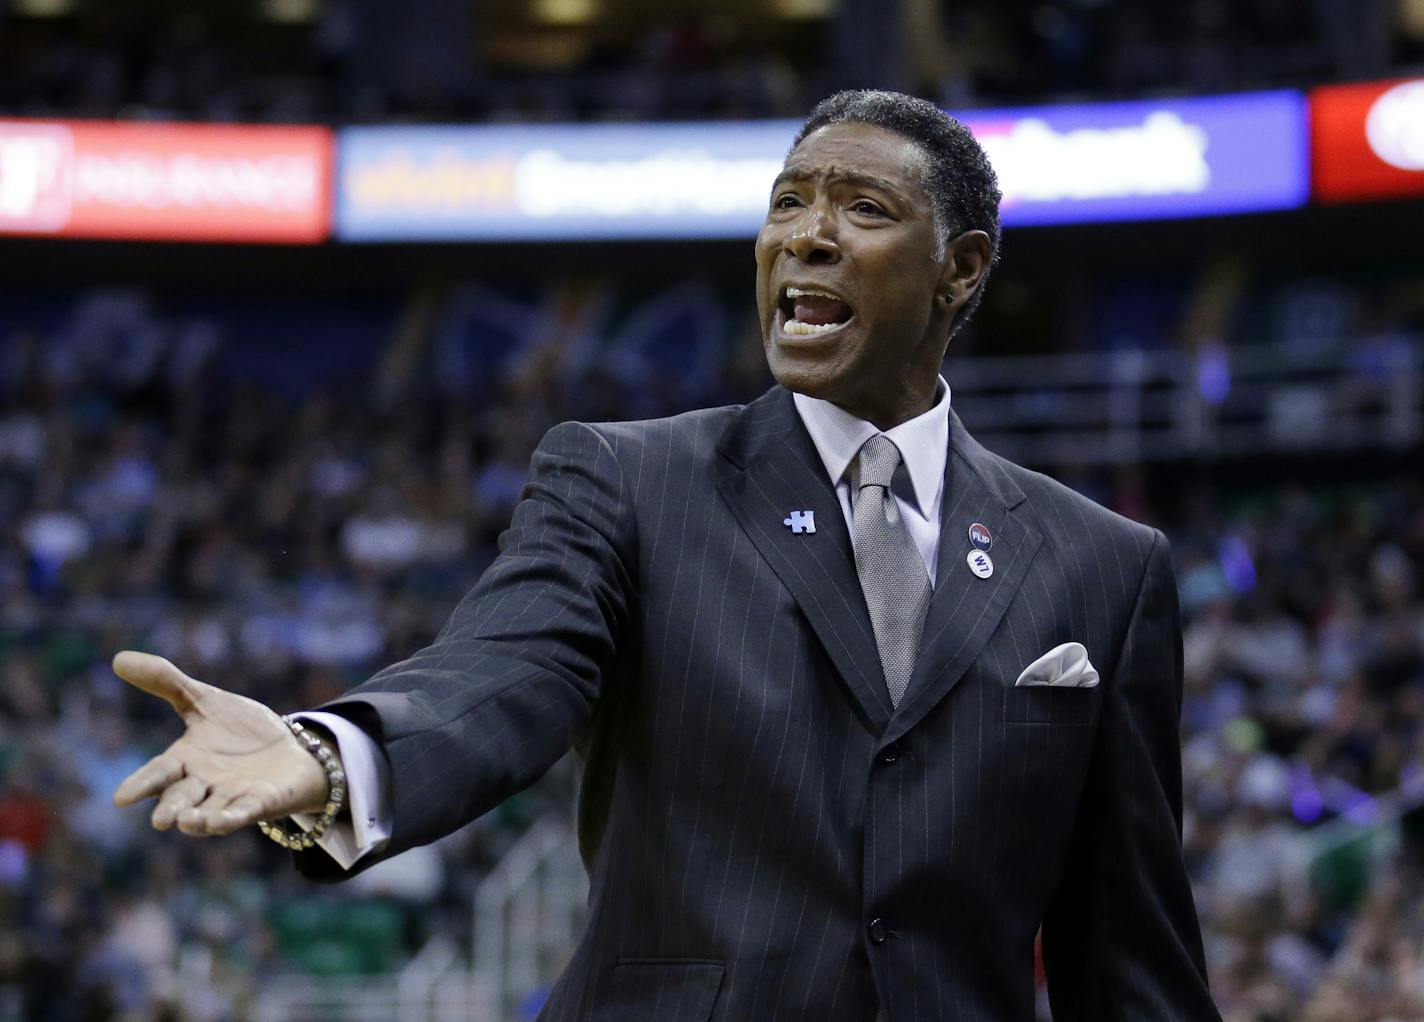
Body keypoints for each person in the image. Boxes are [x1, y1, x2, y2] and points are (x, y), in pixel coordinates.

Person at [112, 90, 1221, 1021]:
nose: (806, 234)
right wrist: (340, 748)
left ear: (960, 269)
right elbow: (507, 666)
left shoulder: (1102, 565)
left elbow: (1128, 959)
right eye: (787, 201)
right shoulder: (626, 480)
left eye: (861, 208)